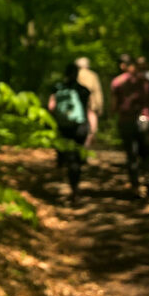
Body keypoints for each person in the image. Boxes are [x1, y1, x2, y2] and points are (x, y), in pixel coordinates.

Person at [48, 63, 98, 204]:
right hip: (80, 128)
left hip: (64, 128)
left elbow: (51, 107)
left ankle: (70, 185)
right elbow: (90, 111)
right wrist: (93, 130)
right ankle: (75, 190)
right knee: (76, 159)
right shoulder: (84, 90)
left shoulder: (57, 88)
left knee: (69, 158)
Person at [110, 55, 149, 198]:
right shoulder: (146, 81)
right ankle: (147, 178)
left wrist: (114, 114)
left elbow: (114, 105)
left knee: (131, 154)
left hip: (126, 121)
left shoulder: (117, 81)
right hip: (145, 120)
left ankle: (135, 186)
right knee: (146, 153)